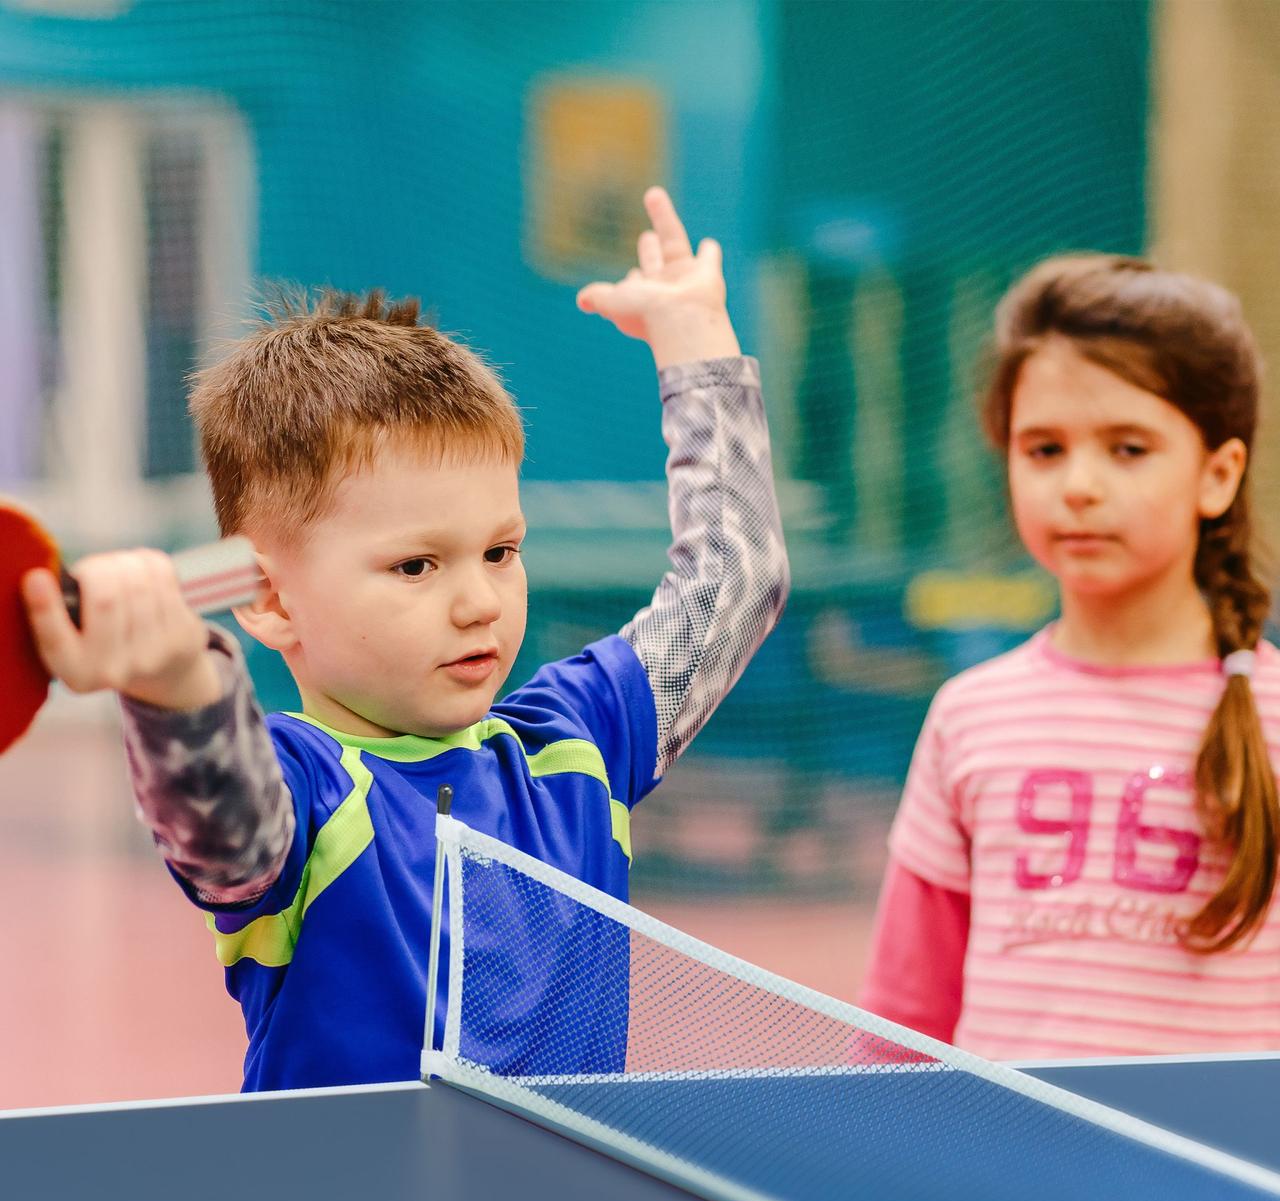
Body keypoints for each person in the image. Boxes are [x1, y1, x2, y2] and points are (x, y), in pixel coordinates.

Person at [21, 188, 789, 1089]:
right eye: (416, 567)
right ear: (268, 599)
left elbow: (733, 582)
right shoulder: (302, 795)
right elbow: (220, 821)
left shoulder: (575, 743)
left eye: (502, 551)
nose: (479, 604)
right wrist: (174, 679)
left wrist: (696, 341)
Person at [860, 254, 1280, 1059]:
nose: (1079, 485)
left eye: (1128, 448)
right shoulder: (970, 715)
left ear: (1219, 474)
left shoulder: (1270, 716)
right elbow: (906, 1013)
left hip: (1226, 1182)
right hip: (1010, 1178)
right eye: (1044, 449)